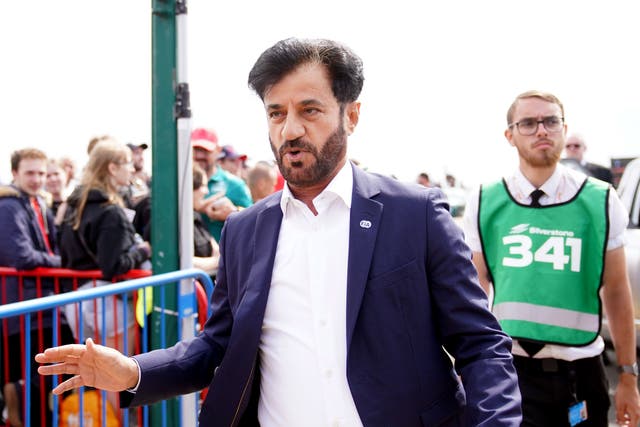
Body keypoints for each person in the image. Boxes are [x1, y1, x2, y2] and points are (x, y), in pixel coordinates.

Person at [36, 38, 521, 426]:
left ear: (350, 116)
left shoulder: (415, 214)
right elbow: (216, 344)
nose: (289, 129)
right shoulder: (244, 231)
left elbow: (480, 343)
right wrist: (136, 371)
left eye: (309, 110)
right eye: (275, 112)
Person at [462, 90, 640, 426]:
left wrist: (629, 376)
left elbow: (617, 292)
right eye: (528, 123)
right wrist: (469, 368)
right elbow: (474, 293)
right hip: (511, 371)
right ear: (510, 135)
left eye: (550, 121)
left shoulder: (600, 200)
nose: (541, 130)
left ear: (563, 127)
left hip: (581, 371)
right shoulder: (485, 200)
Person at [0, 148, 75, 427]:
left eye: (41, 173)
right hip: (24, 308)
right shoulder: (9, 206)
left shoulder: (38, 203)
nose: (37, 179)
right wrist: (63, 263)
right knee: (34, 380)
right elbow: (21, 257)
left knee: (47, 379)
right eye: (30, 173)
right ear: (15, 173)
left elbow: (48, 247)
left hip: (43, 305)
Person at [191, 128, 253, 241]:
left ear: (217, 151)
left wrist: (233, 213)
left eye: (205, 150)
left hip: (224, 256)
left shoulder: (235, 185)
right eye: (196, 149)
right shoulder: (180, 185)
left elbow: (254, 223)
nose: (199, 155)